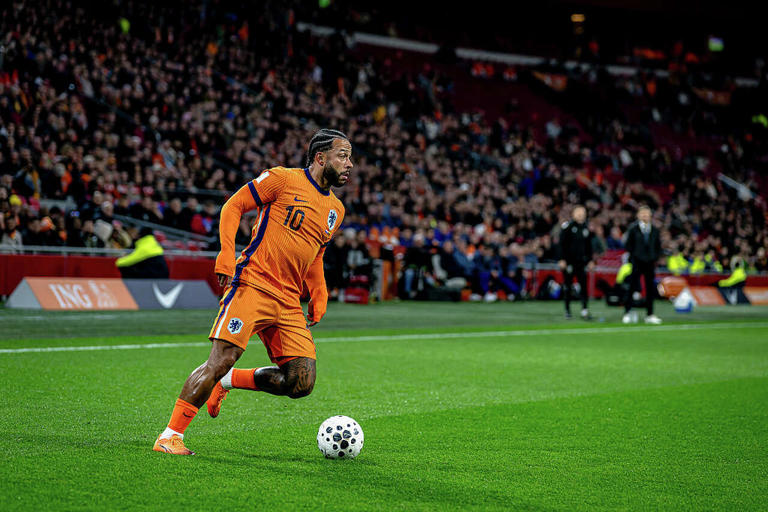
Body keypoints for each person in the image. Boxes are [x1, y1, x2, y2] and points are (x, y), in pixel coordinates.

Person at [153, 129, 351, 455]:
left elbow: (316, 255)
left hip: (288, 301)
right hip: (253, 284)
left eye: (349, 157)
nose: (350, 164)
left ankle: (228, 381)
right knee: (220, 359)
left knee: (301, 381)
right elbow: (233, 206)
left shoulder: (336, 210)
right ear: (320, 158)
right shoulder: (282, 179)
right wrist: (226, 254)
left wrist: (319, 292)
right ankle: (170, 435)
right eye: (343, 155)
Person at [622, 205, 662, 324]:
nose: (645, 215)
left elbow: (658, 246)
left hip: (650, 263)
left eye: (647, 213)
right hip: (636, 262)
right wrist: (635, 256)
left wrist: (654, 257)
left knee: (650, 289)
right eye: (642, 213)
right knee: (632, 288)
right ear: (638, 215)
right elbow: (628, 245)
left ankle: (650, 314)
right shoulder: (633, 229)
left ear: (650, 216)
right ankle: (628, 312)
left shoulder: (655, 230)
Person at [558, 206, 594, 319]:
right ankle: (567, 310)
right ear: (573, 214)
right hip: (569, 262)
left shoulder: (586, 228)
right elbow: (561, 245)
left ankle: (584, 310)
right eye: (578, 212)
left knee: (584, 287)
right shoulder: (568, 227)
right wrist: (562, 259)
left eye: (582, 212)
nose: (580, 214)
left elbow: (589, 247)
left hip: (581, 263)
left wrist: (590, 260)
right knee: (568, 287)